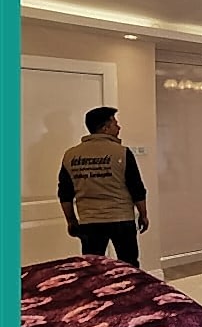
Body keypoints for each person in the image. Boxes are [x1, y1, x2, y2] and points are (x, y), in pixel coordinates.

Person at [57, 107, 149, 268]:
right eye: (115, 123)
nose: (119, 127)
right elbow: (137, 189)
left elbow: (65, 193)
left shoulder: (70, 155)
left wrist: (71, 220)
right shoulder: (122, 153)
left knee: (93, 267)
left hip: (89, 220)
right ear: (105, 128)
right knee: (129, 265)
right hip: (121, 219)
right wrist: (143, 215)